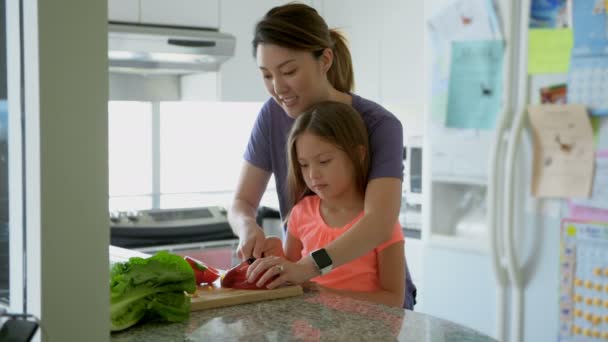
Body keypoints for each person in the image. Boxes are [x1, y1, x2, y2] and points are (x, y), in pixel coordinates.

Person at [227, 2, 416, 309]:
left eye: (288, 71)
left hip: (370, 300)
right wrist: (248, 227)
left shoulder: (380, 125)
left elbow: (380, 221)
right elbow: (241, 203)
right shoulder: (272, 116)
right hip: (307, 297)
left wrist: (306, 268)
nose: (277, 88)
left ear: (324, 59)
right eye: (266, 76)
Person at [253, 101, 406, 307]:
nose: (313, 175)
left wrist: (331, 296)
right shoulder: (300, 213)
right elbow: (293, 277)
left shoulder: (381, 223)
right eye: (304, 165)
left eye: (324, 161)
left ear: (358, 155)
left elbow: (394, 300)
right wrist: (276, 259)